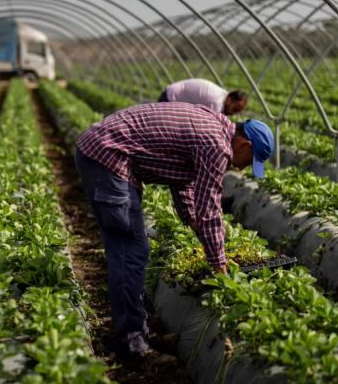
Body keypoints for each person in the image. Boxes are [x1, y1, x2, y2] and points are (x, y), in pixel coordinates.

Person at [75, 102, 273, 361]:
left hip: (104, 152)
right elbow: (210, 208)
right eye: (250, 161)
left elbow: (182, 180)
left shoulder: (214, 127)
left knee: (130, 249)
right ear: (244, 145)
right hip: (108, 156)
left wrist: (193, 222)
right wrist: (219, 266)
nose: (243, 168)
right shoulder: (217, 145)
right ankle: (132, 346)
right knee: (130, 251)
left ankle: (136, 333)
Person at [158, 78, 248, 116]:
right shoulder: (216, 103)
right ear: (230, 99)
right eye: (235, 109)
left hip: (174, 95)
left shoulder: (223, 95)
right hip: (171, 98)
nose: (233, 114)